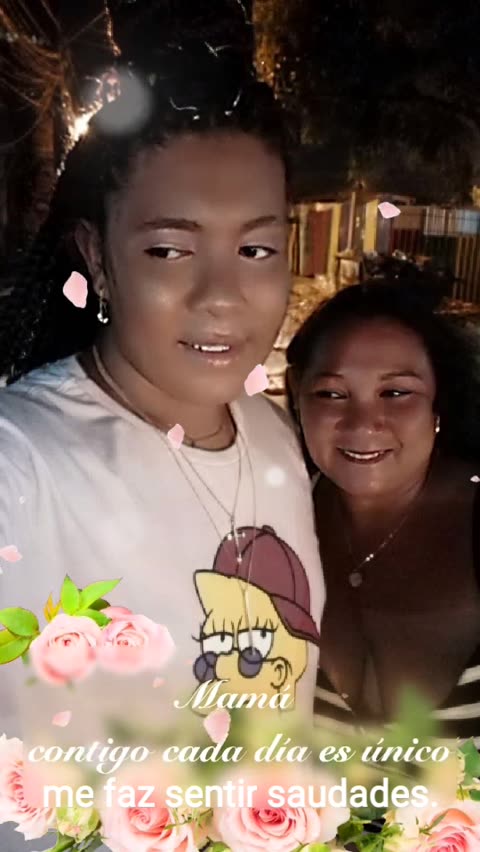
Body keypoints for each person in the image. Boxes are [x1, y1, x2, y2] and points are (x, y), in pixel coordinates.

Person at [0, 39, 324, 758]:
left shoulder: (275, 437)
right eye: (170, 251)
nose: (221, 297)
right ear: (96, 256)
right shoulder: (21, 466)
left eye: (256, 250)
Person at [286, 278, 480, 741]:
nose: (363, 423)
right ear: (296, 391)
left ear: (439, 400)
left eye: (396, 393)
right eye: (331, 394)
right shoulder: (267, 522)